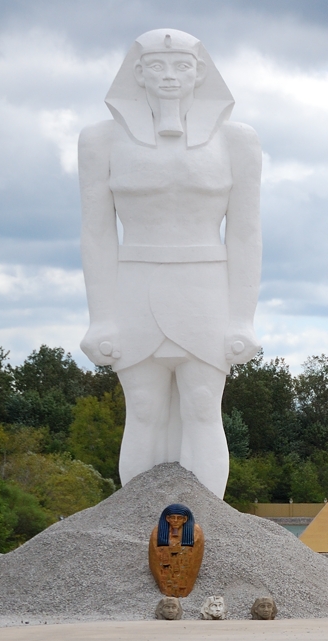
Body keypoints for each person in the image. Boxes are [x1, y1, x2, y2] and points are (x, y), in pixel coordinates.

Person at [78, 29, 261, 498]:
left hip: (205, 286)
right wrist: (100, 319)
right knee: (142, 407)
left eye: (181, 65)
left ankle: (207, 524)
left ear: (200, 72)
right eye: (157, 65)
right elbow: (98, 233)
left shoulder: (237, 141)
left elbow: (244, 232)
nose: (169, 77)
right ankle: (134, 526)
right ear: (137, 73)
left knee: (202, 405)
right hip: (134, 283)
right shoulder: (101, 141)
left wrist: (243, 318)